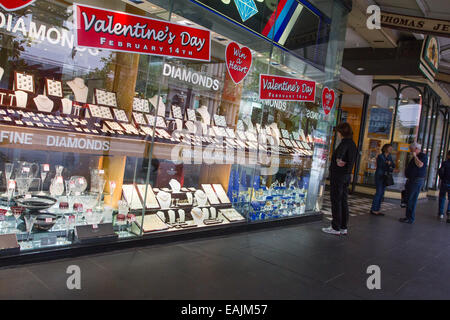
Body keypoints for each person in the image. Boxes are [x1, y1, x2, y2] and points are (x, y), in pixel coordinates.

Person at [322, 123, 358, 235]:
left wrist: (338, 160)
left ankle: (335, 227)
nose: (336, 134)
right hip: (346, 175)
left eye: (337, 132)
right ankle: (343, 226)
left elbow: (340, 156)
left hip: (338, 175)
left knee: (336, 200)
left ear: (341, 132)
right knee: (343, 200)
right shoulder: (353, 144)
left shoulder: (344, 143)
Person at [399, 142, 427, 224]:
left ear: (416, 149)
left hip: (416, 180)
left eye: (411, 149)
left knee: (411, 199)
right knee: (408, 198)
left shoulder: (422, 156)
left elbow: (420, 165)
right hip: (411, 180)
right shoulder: (416, 156)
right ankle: (408, 217)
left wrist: (415, 156)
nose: (410, 151)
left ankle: (410, 218)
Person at [370, 144, 395, 216]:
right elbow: (381, 166)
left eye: (391, 148)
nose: (391, 149)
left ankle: (377, 209)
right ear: (385, 148)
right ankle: (374, 209)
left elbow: (393, 165)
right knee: (379, 192)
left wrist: (389, 164)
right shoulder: (380, 156)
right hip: (379, 176)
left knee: (382, 193)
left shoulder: (390, 156)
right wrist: (388, 164)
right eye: (390, 148)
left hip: (385, 177)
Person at [438, 150, 450, 223]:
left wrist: (442, 178)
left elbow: (441, 172)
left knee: (442, 197)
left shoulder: (445, 163)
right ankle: (448, 211)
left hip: (445, 182)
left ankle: (441, 213)